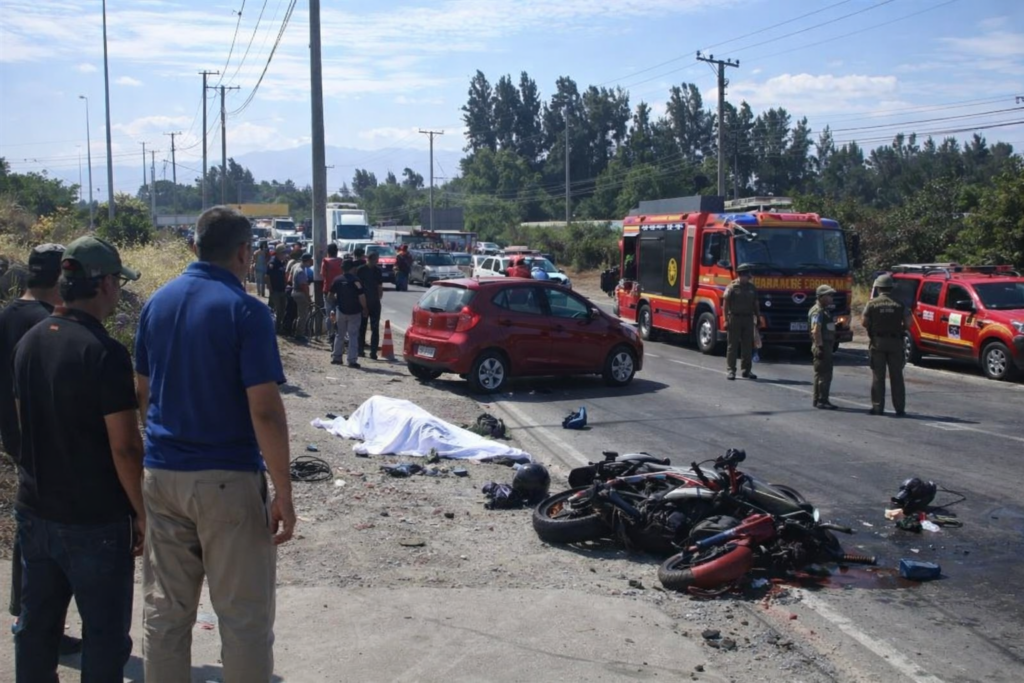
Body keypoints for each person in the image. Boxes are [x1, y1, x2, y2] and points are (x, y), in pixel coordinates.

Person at [134, 206, 295, 682]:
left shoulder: (157, 304)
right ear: (245, 252)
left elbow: (142, 392)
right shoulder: (246, 311)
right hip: (226, 478)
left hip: (162, 476)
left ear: (194, 247)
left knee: (165, 614)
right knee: (243, 618)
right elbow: (265, 410)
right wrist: (284, 491)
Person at [12, 236, 144, 681]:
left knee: (37, 628)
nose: (119, 291)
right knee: (104, 637)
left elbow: (23, 421)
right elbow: (125, 447)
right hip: (95, 521)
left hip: (35, 509)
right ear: (104, 284)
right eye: (118, 282)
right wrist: (142, 512)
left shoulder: (30, 340)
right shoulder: (104, 352)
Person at [0, 243, 83, 657]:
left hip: (15, 435)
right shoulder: (48, 323)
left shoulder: (7, 315)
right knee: (50, 536)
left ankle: (26, 615)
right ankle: (40, 622)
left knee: (29, 527)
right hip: (48, 439)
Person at [861, 273, 911, 416]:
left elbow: (864, 322)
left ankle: (878, 407)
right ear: (891, 288)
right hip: (896, 343)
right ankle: (899, 409)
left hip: (878, 343)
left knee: (878, 376)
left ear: (878, 288)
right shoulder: (900, 304)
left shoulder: (872, 304)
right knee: (897, 377)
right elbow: (908, 324)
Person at [723, 263, 761, 380]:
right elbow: (725, 305)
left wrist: (758, 317)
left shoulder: (752, 288)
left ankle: (746, 370)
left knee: (747, 346)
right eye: (747, 274)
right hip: (735, 318)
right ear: (741, 274)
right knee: (732, 346)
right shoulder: (732, 287)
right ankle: (731, 370)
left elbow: (756, 304)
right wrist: (725, 320)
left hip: (748, 319)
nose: (749, 277)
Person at [331, 259, 367, 368]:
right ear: (352, 268)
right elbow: (361, 296)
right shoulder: (356, 280)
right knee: (353, 336)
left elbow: (329, 295)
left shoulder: (337, 280)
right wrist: (364, 308)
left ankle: (336, 358)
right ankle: (351, 360)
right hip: (354, 312)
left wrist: (335, 304)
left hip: (340, 311)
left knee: (339, 334)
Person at [809, 284, 838, 410]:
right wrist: (820, 346)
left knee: (821, 373)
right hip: (822, 345)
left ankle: (819, 399)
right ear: (821, 297)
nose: (831, 298)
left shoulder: (824, 311)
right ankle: (822, 400)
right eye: (829, 295)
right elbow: (816, 330)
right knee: (824, 374)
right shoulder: (818, 311)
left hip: (826, 344)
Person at [357, 250, 384, 359]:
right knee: (364, 327)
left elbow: (379, 286)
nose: (377, 261)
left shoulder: (375, 270)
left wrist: (378, 298)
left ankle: (371, 352)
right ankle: (362, 350)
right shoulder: (362, 270)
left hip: (371, 302)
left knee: (373, 328)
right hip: (366, 302)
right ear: (372, 259)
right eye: (376, 259)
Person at [321, 243, 344, 344]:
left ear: (328, 252)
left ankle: (330, 335)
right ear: (336, 251)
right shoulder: (341, 261)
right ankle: (339, 333)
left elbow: (323, 275)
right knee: (339, 313)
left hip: (327, 290)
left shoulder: (325, 261)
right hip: (340, 290)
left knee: (329, 313)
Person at [291, 253, 314, 343]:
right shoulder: (301, 271)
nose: (311, 262)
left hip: (296, 292)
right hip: (300, 294)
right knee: (303, 315)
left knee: (300, 314)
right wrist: (308, 298)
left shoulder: (297, 266)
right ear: (307, 261)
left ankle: (298, 332)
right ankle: (299, 334)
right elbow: (304, 286)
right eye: (310, 261)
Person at [267, 246, 289, 334]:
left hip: (282, 289)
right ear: (279, 253)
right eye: (283, 253)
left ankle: (278, 328)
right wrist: (270, 289)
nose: (285, 255)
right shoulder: (273, 262)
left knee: (282, 310)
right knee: (277, 309)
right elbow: (267, 276)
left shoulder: (281, 263)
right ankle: (273, 328)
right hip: (275, 290)